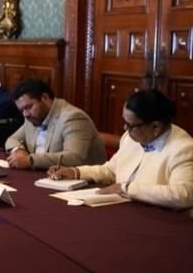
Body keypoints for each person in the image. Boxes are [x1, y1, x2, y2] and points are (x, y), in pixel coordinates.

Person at [50, 89, 193, 213]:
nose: (125, 129)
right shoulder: (132, 138)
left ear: (156, 127)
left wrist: (127, 188)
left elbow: (183, 195)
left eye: (130, 125)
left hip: (164, 221)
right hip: (126, 210)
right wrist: (76, 172)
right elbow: (111, 171)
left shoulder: (183, 149)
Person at [5, 79, 106, 170]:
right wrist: (18, 150)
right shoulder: (33, 117)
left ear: (45, 97)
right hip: (46, 176)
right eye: (22, 110)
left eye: (29, 107)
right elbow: (12, 139)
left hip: (82, 182)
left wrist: (30, 160)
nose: (25, 114)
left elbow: (74, 157)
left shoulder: (73, 117)